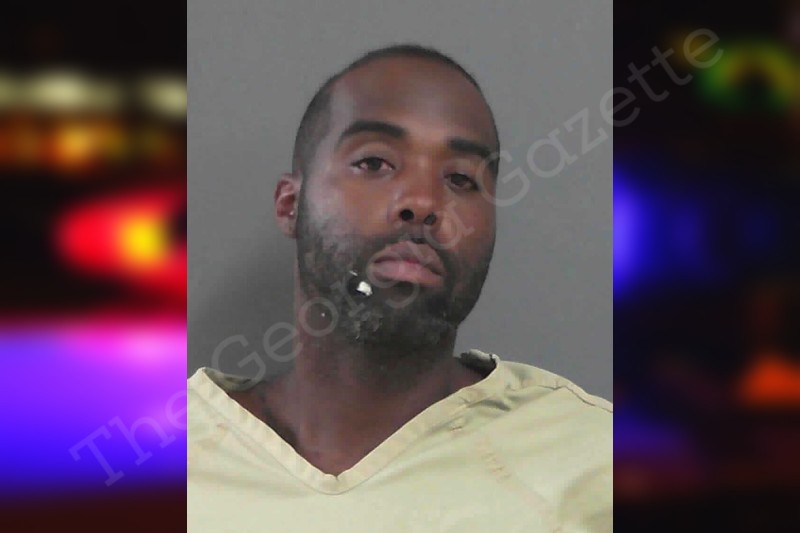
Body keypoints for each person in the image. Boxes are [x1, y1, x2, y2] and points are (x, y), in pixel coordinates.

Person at [187, 44, 612, 532]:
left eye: (461, 179)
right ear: (290, 205)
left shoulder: (594, 463)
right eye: (375, 163)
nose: (423, 201)